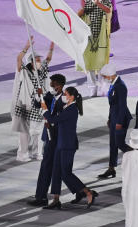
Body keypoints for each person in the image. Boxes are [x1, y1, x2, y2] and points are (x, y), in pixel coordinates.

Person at [40, 86, 96, 209]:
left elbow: (55, 119)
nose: (64, 96)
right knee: (56, 172)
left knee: (66, 173)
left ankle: (87, 192)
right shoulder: (67, 107)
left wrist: (45, 110)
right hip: (60, 143)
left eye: (65, 94)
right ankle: (56, 199)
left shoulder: (72, 109)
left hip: (68, 145)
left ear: (71, 96)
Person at [12, 39, 54, 162]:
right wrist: (26, 48)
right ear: (31, 62)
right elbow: (19, 60)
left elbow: (49, 59)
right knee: (25, 132)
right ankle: (22, 154)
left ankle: (37, 153)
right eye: (37, 60)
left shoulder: (42, 71)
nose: (40, 61)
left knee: (39, 131)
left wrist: (51, 48)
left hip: (39, 104)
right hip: (26, 105)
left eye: (39, 59)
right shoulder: (25, 71)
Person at [32, 74, 66, 207]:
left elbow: (63, 119)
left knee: (56, 168)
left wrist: (52, 123)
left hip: (58, 138)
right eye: (51, 84)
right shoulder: (49, 96)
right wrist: (38, 94)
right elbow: (36, 104)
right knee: (45, 166)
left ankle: (79, 191)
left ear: (61, 85)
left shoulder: (65, 99)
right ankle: (41, 196)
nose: (51, 86)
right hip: (49, 138)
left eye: (54, 84)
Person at [78, 0, 113, 97]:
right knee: (90, 66)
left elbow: (107, 11)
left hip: (102, 40)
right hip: (89, 41)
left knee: (102, 66)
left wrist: (97, 3)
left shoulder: (107, 2)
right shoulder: (87, 4)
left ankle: (103, 89)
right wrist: (83, 8)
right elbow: (78, 16)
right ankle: (93, 89)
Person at [98, 64, 132, 179]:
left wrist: (119, 122)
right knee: (113, 144)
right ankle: (111, 168)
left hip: (120, 120)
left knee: (119, 143)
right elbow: (113, 105)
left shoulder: (120, 86)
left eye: (104, 76)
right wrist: (110, 118)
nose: (104, 78)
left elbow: (122, 106)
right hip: (114, 118)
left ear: (110, 75)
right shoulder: (114, 84)